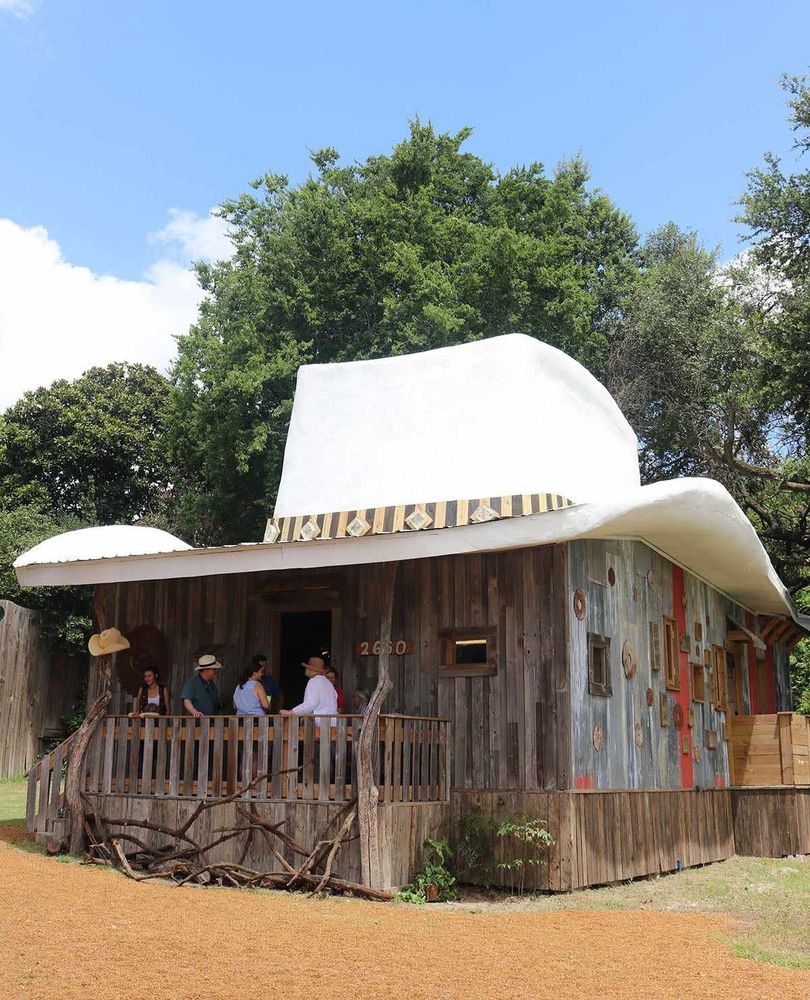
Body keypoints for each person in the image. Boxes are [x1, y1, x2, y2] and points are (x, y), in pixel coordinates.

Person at [280, 655, 337, 725]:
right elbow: (335, 699)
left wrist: (291, 712)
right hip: (334, 721)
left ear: (311, 670)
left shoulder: (313, 681)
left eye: (307, 668)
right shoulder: (328, 683)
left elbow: (310, 704)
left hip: (321, 723)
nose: (305, 670)